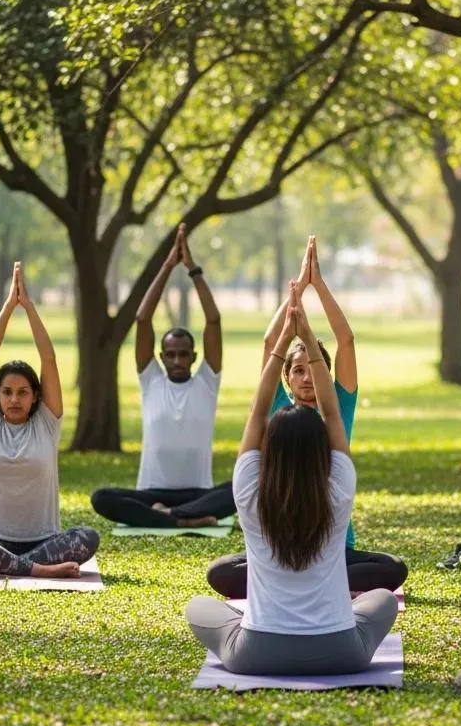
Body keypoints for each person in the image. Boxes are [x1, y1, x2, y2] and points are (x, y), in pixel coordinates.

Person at [186, 282, 398, 675]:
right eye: (296, 371)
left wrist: (291, 327)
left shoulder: (249, 495)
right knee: (383, 598)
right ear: (324, 444)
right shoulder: (339, 491)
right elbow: (330, 416)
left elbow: (257, 412)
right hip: (341, 653)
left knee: (198, 606)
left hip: (256, 655)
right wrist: (305, 332)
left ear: (270, 446)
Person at [206, 236, 408, 597]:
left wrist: (320, 285)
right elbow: (270, 344)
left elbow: (346, 341)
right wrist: (298, 288)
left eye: (313, 369)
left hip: (333, 549)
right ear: (286, 378)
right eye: (297, 370)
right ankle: (311, 582)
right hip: (279, 548)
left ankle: (295, 582)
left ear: (326, 375)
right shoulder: (277, 409)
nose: (307, 378)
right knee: (220, 573)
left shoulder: (339, 407)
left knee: (392, 568)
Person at [0, 263, 99, 578]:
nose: (14, 399)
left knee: (88, 536)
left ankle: (17, 566)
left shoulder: (47, 424)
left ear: (35, 396)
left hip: (44, 541)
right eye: (7, 392)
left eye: (23, 392)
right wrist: (7, 308)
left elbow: (48, 359)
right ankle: (37, 569)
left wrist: (28, 307)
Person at [90, 224, 234, 529]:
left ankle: (168, 516)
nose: (178, 360)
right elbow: (142, 319)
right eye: (171, 354)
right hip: (151, 492)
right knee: (101, 497)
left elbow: (214, 320)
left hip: (198, 492)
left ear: (194, 356)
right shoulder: (151, 380)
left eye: (184, 354)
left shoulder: (206, 382)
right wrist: (168, 266)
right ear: (161, 357)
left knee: (244, 486)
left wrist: (193, 270)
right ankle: (184, 519)